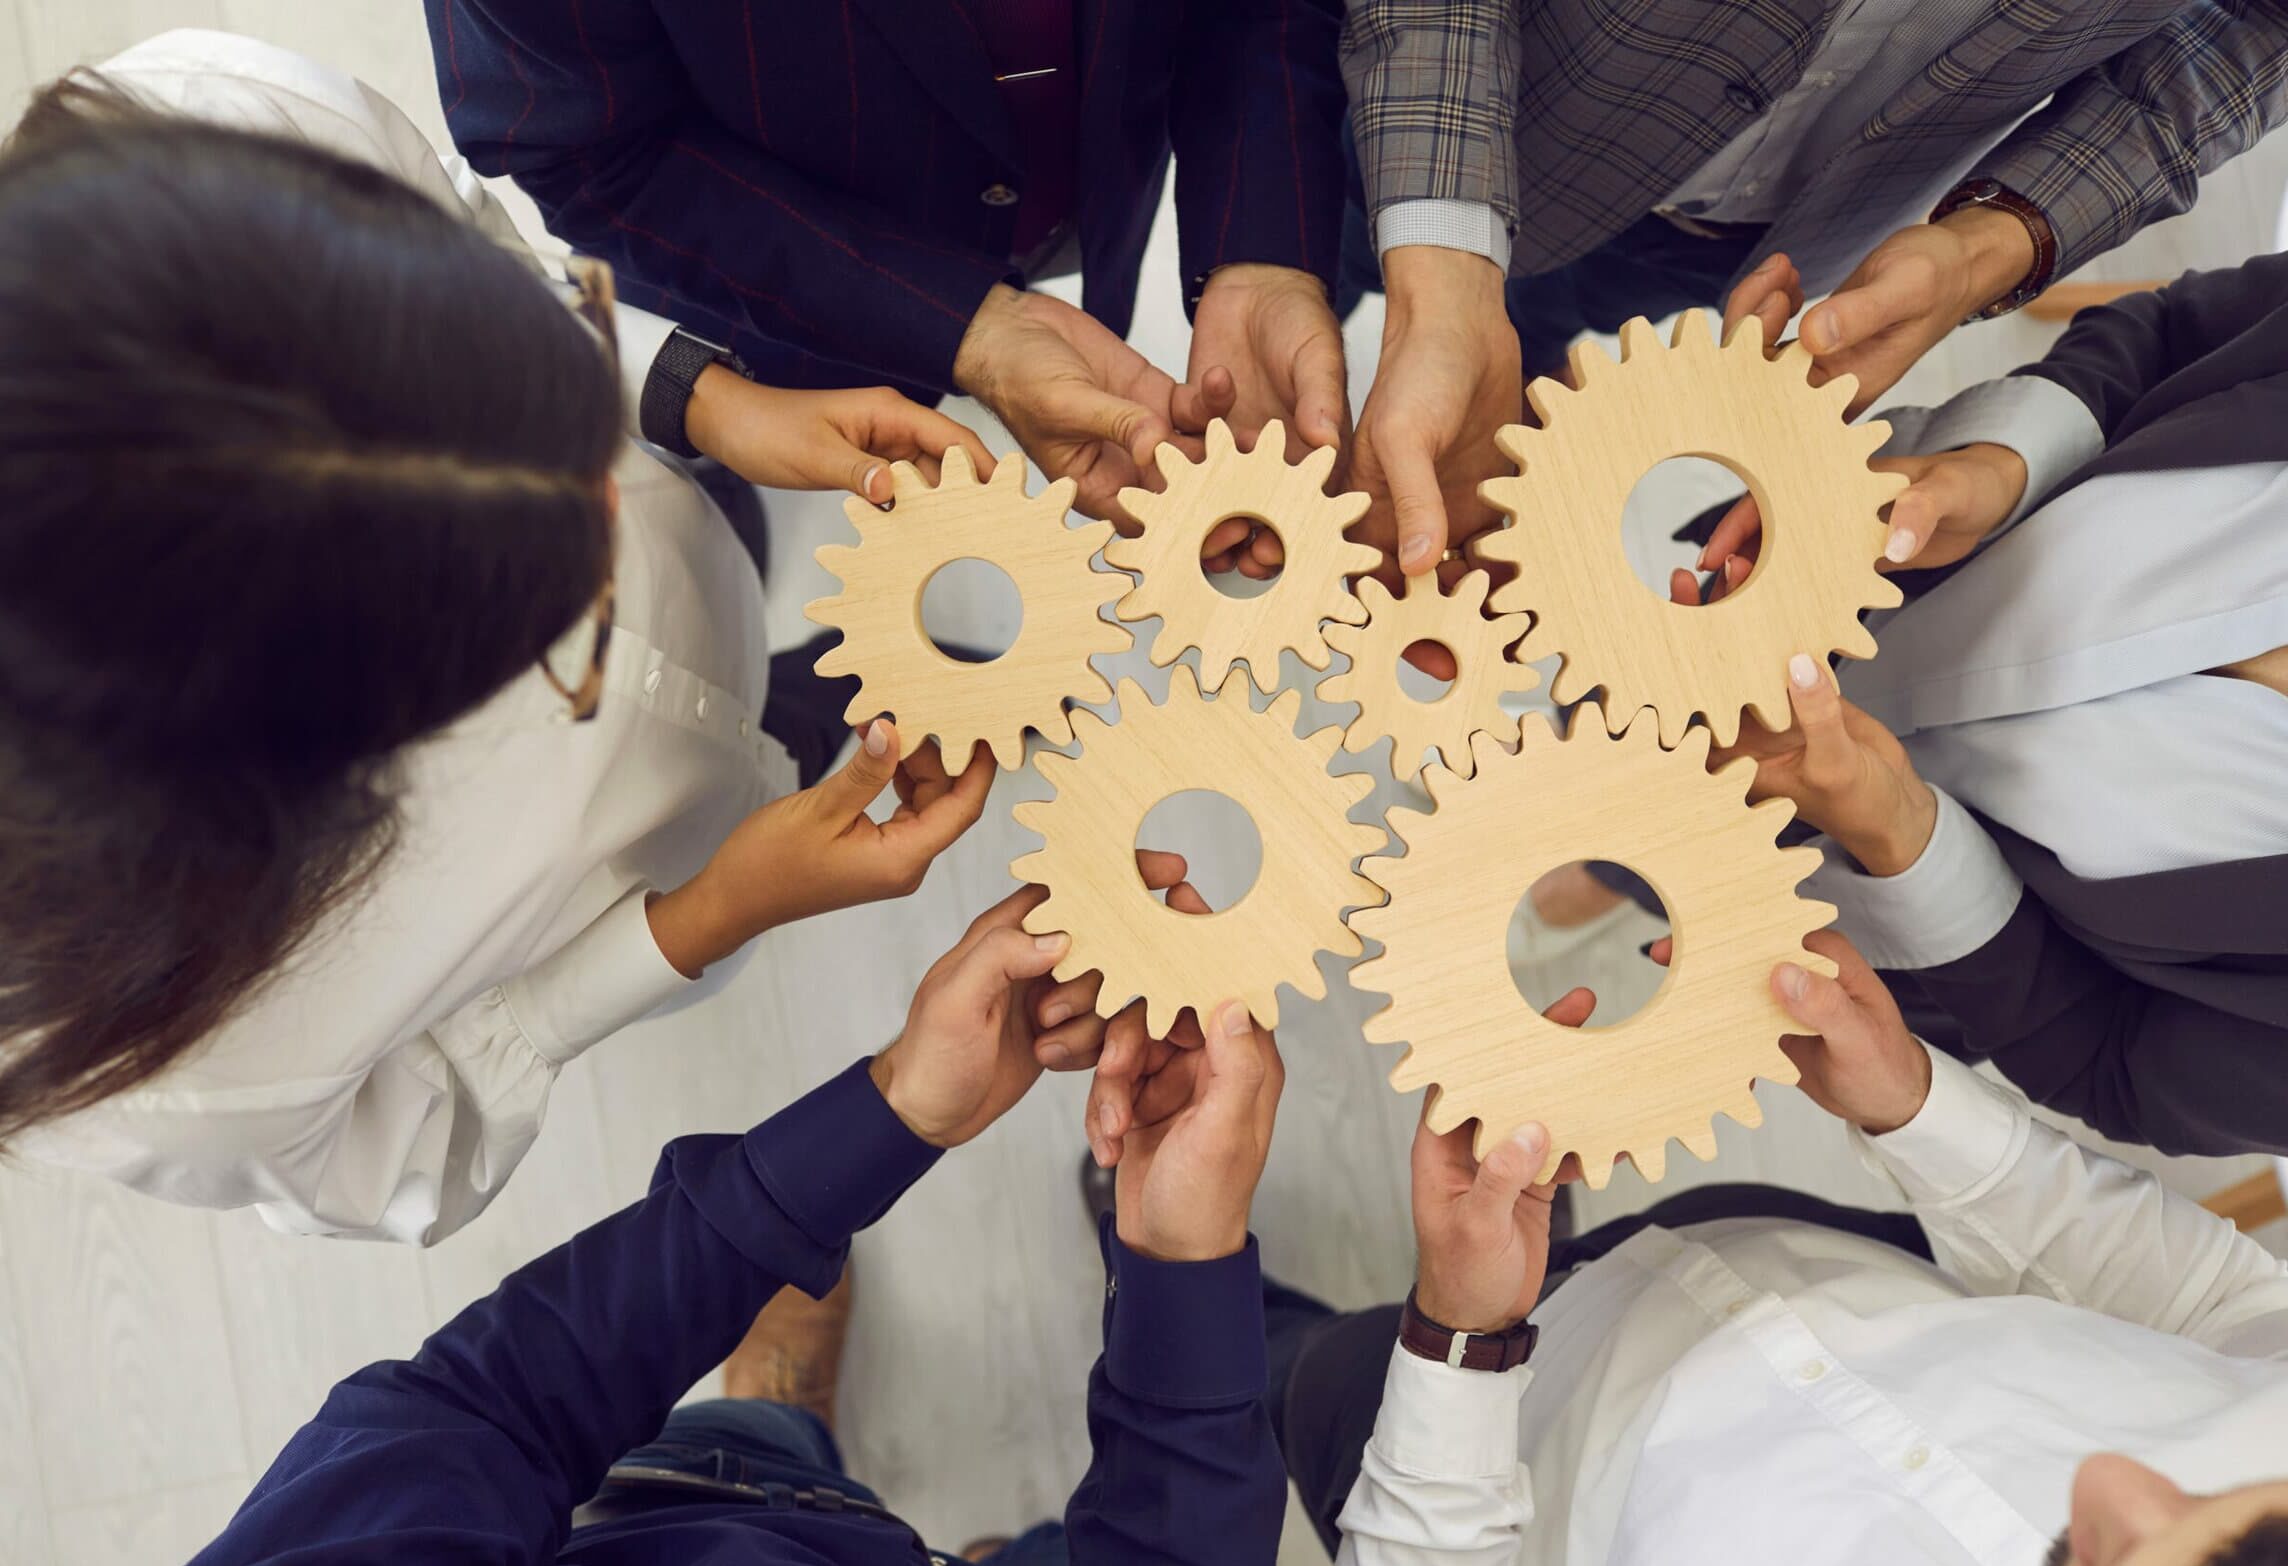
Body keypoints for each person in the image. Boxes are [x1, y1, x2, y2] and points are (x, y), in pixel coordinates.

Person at [0, 31, 1075, 1245]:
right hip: (644, 875)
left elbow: (484, 246)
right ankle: (804, 716)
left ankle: (812, 700)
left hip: (702, 570)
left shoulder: (203, 131)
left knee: (772, 655)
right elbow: (407, 1140)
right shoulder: (169, 1076)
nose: (595, 510)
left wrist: (700, 403)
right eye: (522, 637)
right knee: (784, 731)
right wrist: (712, 909)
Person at [148, 883, 1293, 1566]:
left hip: (684, 1491)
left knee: (756, 1430)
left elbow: (480, 1412)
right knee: (1052, 1564)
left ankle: (787, 1415)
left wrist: (884, 1115)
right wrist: (1176, 1261)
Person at [1258, 933, 2288, 1566]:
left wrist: (1458, 1340)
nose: (2109, 1475)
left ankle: (1222, 1319)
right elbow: (2209, 1306)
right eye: (2222, 1490)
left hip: (1510, 1440)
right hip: (1786, 1249)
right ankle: (1530, 1167)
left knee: (1292, 1371)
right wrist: (1912, 1108)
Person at [1335, 0, 2288, 582]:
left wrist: (1993, 241)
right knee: (1331, 293)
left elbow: (2262, 30)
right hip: (1479, 111)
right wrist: (1440, 271)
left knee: (1541, 342)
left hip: (1796, 222)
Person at [1690, 252, 2288, 1157]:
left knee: (1600, 851)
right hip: (1767, 555)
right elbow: (2173, 335)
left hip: (1798, 881)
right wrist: (1999, 468)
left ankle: (1601, 881)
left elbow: (2111, 1063)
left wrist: (1902, 842)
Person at [426, 0, 1354, 528]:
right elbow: (586, 148)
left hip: (1093, 173)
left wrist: (1260, 247)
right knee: (711, 490)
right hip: (761, 270)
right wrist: (952, 320)